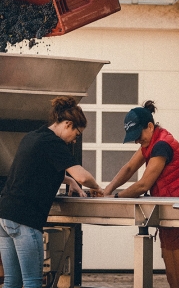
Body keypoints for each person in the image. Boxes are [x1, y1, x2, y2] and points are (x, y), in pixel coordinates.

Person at [0, 96, 104, 288]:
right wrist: (97, 187)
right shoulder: (54, 143)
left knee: (11, 282)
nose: (75, 139)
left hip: (5, 216)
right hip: (25, 219)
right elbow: (83, 177)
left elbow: (35, 167)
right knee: (32, 282)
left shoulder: (34, 136)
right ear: (67, 124)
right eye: (77, 133)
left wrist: (68, 180)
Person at [103, 100, 179, 288]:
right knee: (173, 279)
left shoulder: (162, 145)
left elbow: (143, 185)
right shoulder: (150, 143)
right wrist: (106, 191)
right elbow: (128, 168)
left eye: (138, 134)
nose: (136, 140)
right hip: (171, 216)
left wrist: (117, 198)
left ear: (150, 126)